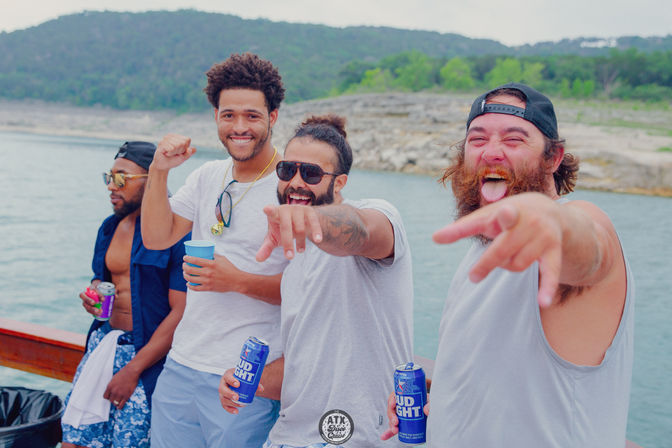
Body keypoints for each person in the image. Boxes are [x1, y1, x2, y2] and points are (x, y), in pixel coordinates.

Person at [382, 83, 634, 447]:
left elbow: (592, 249)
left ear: (554, 157)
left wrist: (553, 221)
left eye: (514, 140)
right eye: (477, 139)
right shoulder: (481, 252)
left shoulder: (574, 228)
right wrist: (443, 388)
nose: (492, 152)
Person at [219, 115, 414, 447]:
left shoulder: (375, 216)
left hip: (356, 437)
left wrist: (309, 219)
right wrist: (250, 381)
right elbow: (304, 363)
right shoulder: (295, 257)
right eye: (287, 170)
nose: (296, 182)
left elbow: (361, 229)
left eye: (310, 174)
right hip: (289, 435)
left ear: (339, 184)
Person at [140, 53, 289, 448]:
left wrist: (237, 281)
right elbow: (156, 239)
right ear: (216, 116)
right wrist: (159, 170)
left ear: (273, 116)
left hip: (245, 375)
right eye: (228, 115)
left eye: (252, 116)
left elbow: (310, 291)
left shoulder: (293, 184)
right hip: (182, 362)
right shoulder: (208, 175)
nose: (239, 127)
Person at [61, 141, 189, 448]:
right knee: (73, 439)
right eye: (109, 176)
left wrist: (133, 370)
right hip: (103, 345)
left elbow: (182, 311)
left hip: (148, 361)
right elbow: (100, 278)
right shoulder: (110, 227)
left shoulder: (177, 231)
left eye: (121, 178)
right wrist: (93, 295)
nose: (110, 186)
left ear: (153, 179)